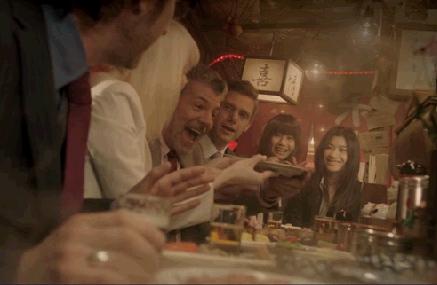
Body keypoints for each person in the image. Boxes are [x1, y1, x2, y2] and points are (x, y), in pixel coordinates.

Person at [1, 0, 212, 282]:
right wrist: (22, 267)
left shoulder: (68, 77)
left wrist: (121, 210)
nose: (164, 32)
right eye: (172, 7)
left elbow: (27, 209)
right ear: (143, 5)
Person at [84, 20, 200, 199]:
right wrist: (219, 182)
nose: (184, 82)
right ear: (163, 68)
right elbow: (136, 204)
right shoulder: (114, 96)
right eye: (183, 70)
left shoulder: (117, 98)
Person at [283, 126, 363, 227]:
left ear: (351, 156)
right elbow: (291, 221)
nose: (333, 154)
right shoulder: (306, 181)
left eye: (342, 150)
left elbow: (350, 229)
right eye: (329, 147)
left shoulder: (354, 191)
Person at [196, 80, 259, 161]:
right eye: (228, 108)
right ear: (215, 108)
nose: (233, 118)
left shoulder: (235, 164)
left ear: (248, 125)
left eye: (242, 115)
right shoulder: (186, 147)